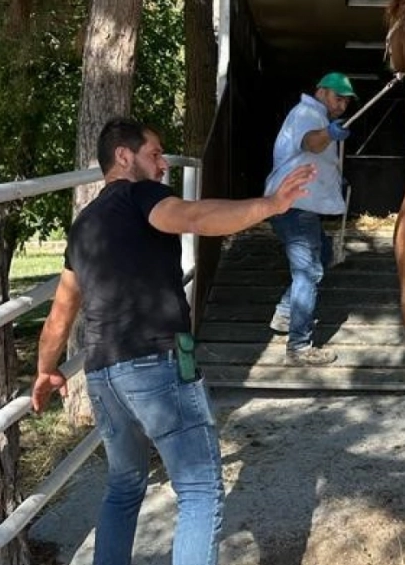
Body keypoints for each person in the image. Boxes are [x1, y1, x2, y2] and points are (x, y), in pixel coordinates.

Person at [31, 117, 316, 565]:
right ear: (124, 157)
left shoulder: (83, 226)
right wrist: (271, 205)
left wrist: (47, 369)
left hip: (103, 375)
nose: (163, 164)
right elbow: (197, 216)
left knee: (123, 488)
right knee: (200, 490)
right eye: (155, 154)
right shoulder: (141, 195)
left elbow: (60, 313)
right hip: (156, 363)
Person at [263, 72, 357, 365]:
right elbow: (310, 144)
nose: (342, 105)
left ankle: (285, 313)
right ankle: (299, 347)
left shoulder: (315, 115)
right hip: (295, 204)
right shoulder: (307, 112)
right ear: (321, 91)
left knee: (324, 254)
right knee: (308, 273)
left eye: (346, 102)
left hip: (300, 205)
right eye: (337, 98)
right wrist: (330, 134)